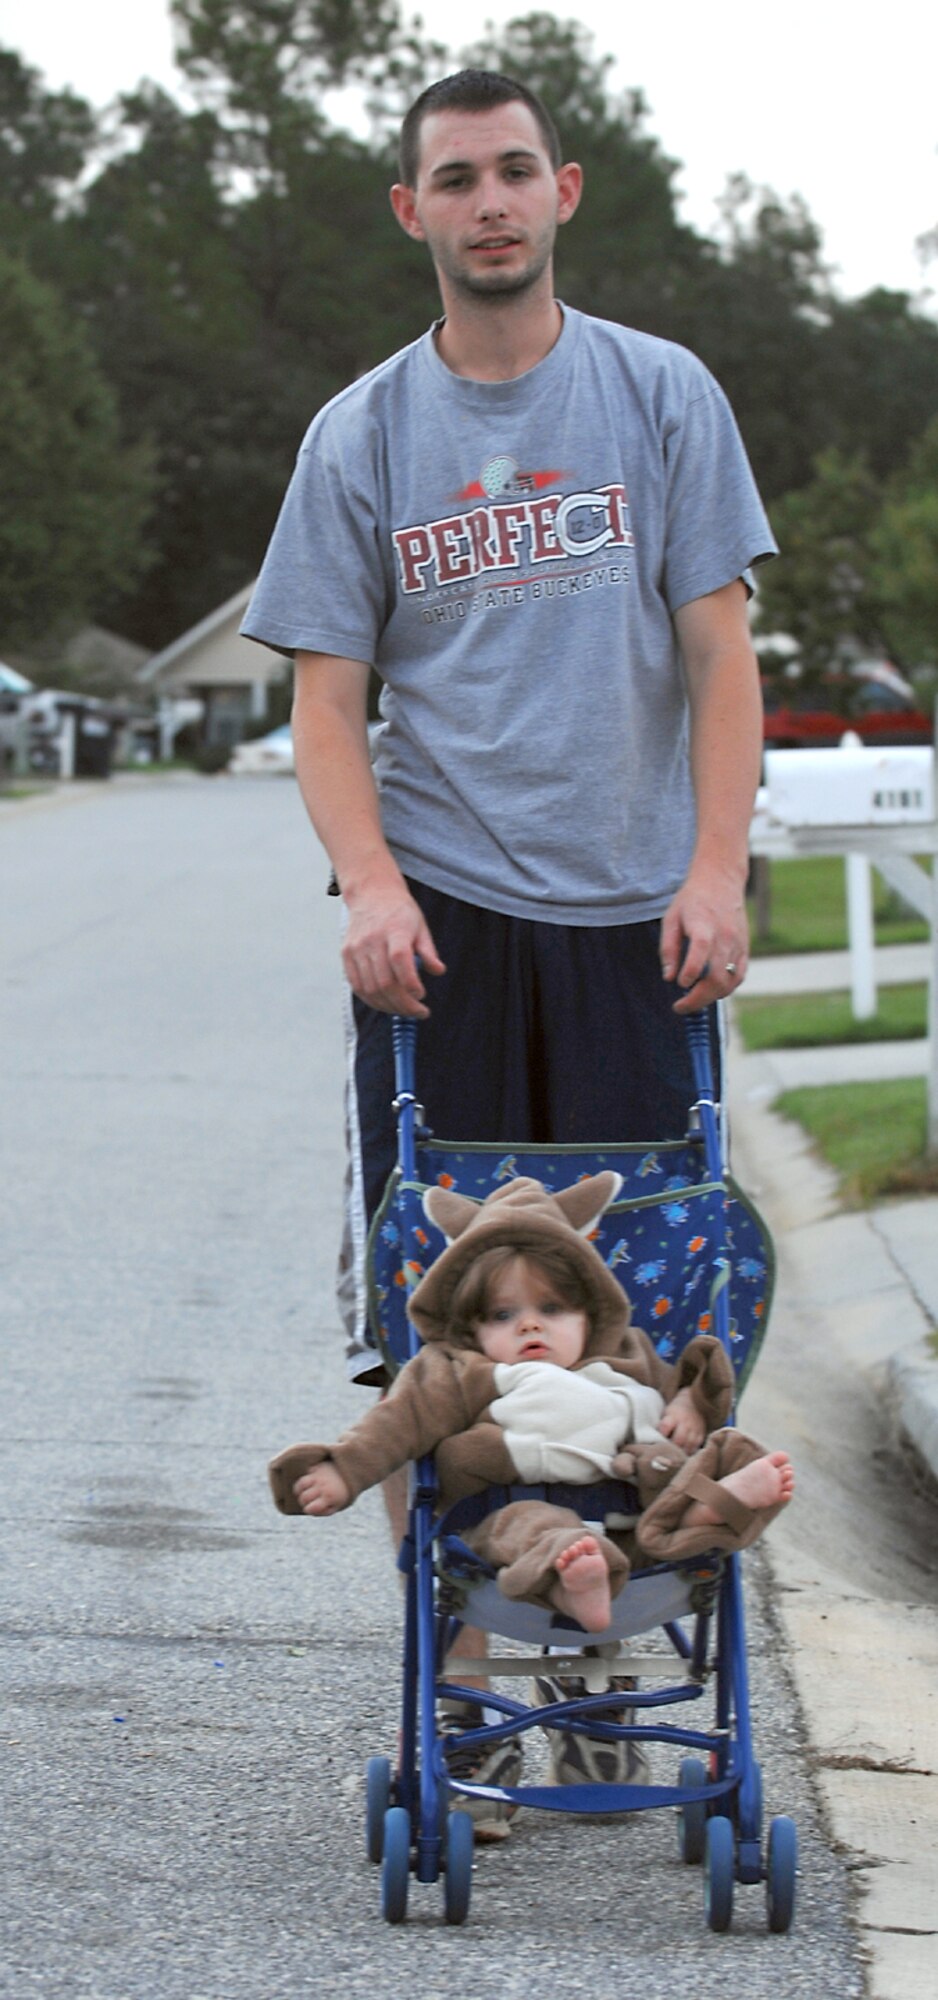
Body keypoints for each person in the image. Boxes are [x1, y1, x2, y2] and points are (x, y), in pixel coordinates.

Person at [242, 65, 777, 1801]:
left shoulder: (660, 396)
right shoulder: (364, 433)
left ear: (563, 193)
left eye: (512, 174)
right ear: (412, 212)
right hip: (446, 926)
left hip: (635, 918)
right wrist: (374, 886)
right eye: (451, 179)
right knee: (436, 1298)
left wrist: (716, 870)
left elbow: (717, 651)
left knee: (637, 1293)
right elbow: (330, 705)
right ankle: (468, 1661)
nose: (485, 203)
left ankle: (609, 1618)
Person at [269, 1175, 794, 1834]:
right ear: (469, 1324)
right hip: (509, 1519)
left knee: (719, 1455)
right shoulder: (455, 1371)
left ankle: (713, 1505)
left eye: (553, 1307)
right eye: (502, 1315)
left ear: (592, 1309)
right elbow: (393, 1427)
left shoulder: (628, 1360)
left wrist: (689, 1403)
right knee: (542, 1526)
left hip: (641, 1524)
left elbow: (689, 1385)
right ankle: (578, 1573)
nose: (531, 1325)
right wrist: (344, 1471)